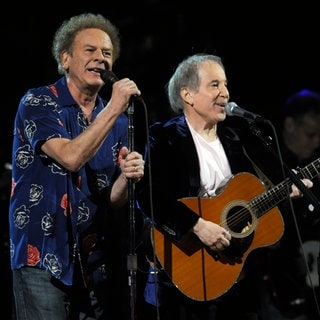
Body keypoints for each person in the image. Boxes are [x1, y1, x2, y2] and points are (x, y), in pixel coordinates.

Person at [135, 53, 314, 320]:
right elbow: (148, 194)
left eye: (226, 85)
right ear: (188, 94)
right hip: (185, 273)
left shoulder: (234, 140)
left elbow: (250, 202)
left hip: (236, 277)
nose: (226, 93)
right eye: (215, 85)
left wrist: (285, 193)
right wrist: (197, 225)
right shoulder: (164, 137)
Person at [9, 13, 145, 320]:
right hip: (42, 257)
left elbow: (111, 198)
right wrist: (113, 108)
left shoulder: (118, 122)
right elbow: (70, 157)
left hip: (93, 264)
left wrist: (126, 176)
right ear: (65, 58)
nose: (101, 58)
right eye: (90, 50)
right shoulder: (39, 102)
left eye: (107, 54)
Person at [259, 89, 320, 320]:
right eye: (311, 134)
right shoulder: (263, 159)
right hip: (270, 279)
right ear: (290, 125)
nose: (317, 142)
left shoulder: (312, 161)